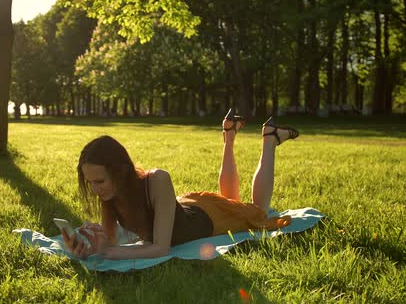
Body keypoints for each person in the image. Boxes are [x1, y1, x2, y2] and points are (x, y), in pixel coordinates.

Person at [62, 109, 299, 260]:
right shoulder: (110, 193)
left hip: (209, 219)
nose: (94, 189)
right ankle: (228, 137)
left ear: (119, 171)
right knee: (233, 202)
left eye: (99, 181)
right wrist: (87, 249)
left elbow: (160, 248)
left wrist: (107, 252)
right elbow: (113, 244)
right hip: (185, 208)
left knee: (259, 211)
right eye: (90, 182)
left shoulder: (157, 179)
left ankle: (270, 138)